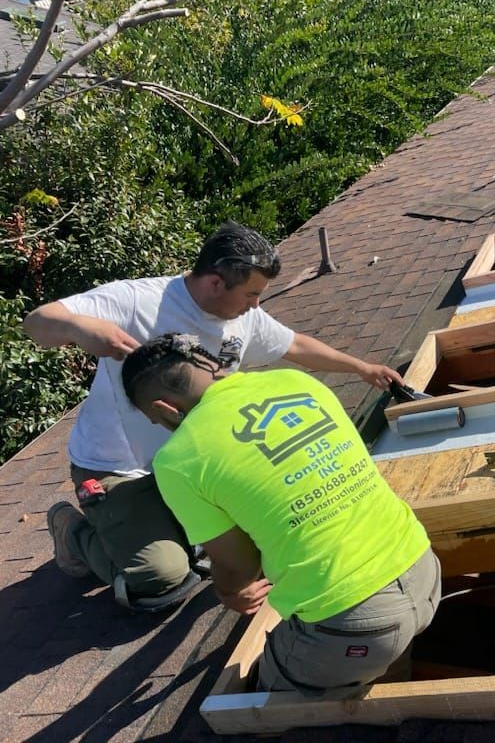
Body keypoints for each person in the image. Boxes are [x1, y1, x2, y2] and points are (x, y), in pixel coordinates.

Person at [25, 221, 404, 609]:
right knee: (161, 580)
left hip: (194, 468)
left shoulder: (242, 317)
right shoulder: (137, 301)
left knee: (267, 542)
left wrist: (361, 367)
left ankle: (174, 528)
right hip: (119, 467)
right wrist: (80, 326)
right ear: (216, 283)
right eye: (252, 293)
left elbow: (295, 346)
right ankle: (74, 533)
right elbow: (36, 322)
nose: (256, 305)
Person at [121, 333, 439, 694]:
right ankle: (385, 671)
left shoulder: (177, 459)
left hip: (355, 622)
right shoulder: (295, 380)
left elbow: (239, 566)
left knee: (264, 693)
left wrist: (229, 594)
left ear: (164, 407)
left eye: (154, 419)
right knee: (384, 650)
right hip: (423, 568)